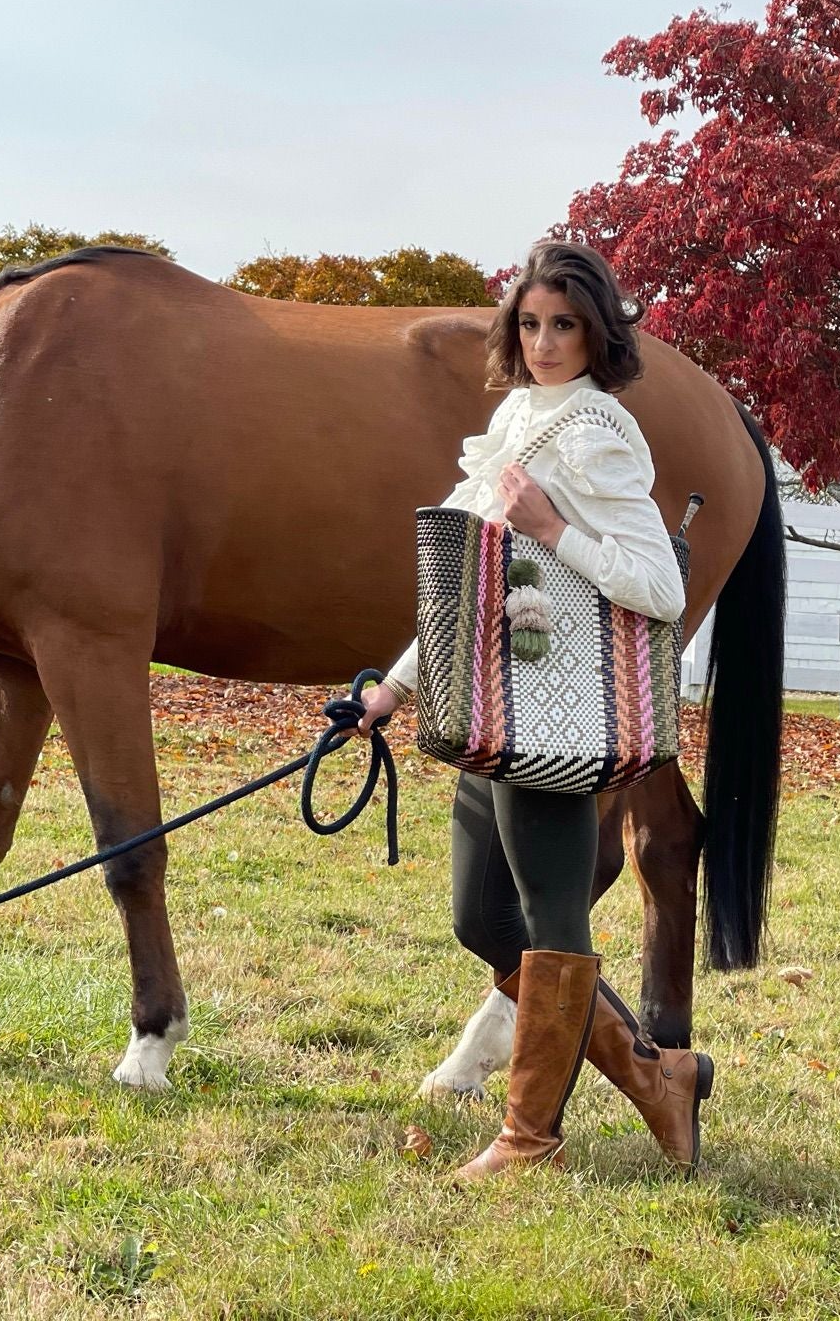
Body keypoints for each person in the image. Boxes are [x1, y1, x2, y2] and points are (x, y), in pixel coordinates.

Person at [356, 239, 713, 1181]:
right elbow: (460, 585)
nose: (546, 342)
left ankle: (529, 1140)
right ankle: (654, 1077)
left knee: (555, 916)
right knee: (480, 916)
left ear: (598, 334)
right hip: (490, 704)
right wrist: (394, 685)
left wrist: (554, 529)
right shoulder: (517, 416)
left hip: (555, 713)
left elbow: (658, 587)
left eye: (565, 325)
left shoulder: (599, 431)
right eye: (531, 324)